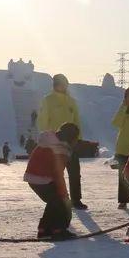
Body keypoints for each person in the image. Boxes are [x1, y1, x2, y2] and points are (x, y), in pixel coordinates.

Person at [37, 74, 86, 209]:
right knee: (57, 174)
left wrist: (79, 139)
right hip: (55, 144)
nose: (63, 86)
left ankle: (76, 200)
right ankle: (61, 199)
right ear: (55, 85)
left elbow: (77, 121)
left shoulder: (71, 101)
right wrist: (49, 139)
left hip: (72, 143)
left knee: (75, 172)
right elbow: (42, 121)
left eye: (65, 83)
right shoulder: (48, 100)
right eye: (60, 83)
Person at [24, 123, 79, 240]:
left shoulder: (49, 140)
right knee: (63, 203)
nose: (76, 141)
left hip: (33, 178)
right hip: (44, 179)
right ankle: (58, 230)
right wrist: (64, 192)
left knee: (53, 202)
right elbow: (58, 173)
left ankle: (44, 230)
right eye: (76, 138)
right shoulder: (61, 149)